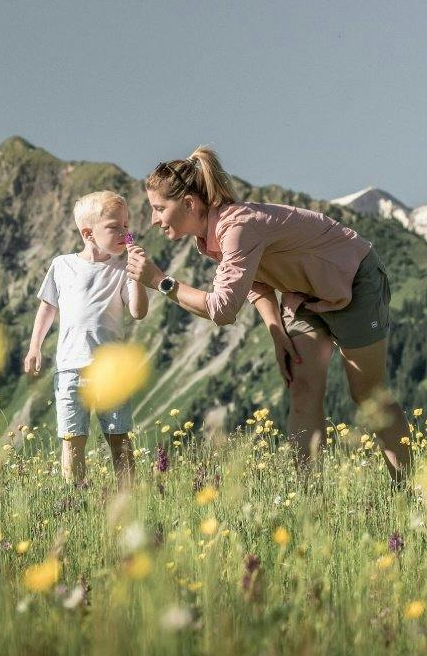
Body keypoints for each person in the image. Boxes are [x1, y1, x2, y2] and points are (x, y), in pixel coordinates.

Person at [124, 147, 409, 477]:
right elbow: (256, 283)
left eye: (159, 208)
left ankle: (409, 490)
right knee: (302, 388)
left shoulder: (238, 227)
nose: (154, 219)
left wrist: (160, 281)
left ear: (189, 204)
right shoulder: (208, 238)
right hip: (303, 294)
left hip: (354, 280)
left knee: (367, 395)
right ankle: (307, 497)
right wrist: (276, 331)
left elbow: (223, 309)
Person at [24, 191, 149, 485]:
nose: (124, 232)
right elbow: (48, 307)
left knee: (119, 437)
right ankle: (75, 498)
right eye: (115, 227)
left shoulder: (122, 269)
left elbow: (138, 311)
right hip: (70, 367)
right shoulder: (62, 265)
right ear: (88, 233)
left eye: (126, 226)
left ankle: (128, 496)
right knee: (72, 439)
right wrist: (34, 347)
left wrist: (139, 276)